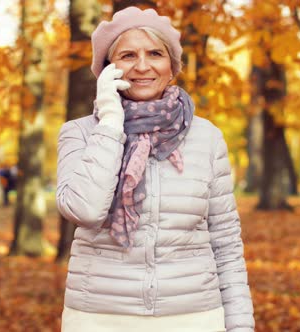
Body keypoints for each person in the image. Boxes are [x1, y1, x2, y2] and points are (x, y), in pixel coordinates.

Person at [56, 7, 254, 332]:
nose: (143, 66)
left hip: (193, 318)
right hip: (100, 319)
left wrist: (240, 325)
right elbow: (85, 210)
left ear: (172, 67)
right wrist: (110, 123)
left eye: (155, 53)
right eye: (128, 55)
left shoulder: (206, 137)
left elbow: (226, 242)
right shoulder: (81, 132)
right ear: (108, 69)